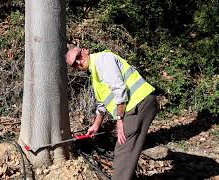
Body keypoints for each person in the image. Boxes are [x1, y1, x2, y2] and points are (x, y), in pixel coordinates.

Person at [66, 47, 157, 180]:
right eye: (74, 64)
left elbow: (119, 89)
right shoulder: (95, 72)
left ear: (85, 50)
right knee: (127, 152)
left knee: (123, 152)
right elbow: (102, 103)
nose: (78, 63)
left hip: (138, 104)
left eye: (78, 57)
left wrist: (120, 120)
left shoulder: (102, 60)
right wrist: (96, 125)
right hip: (139, 104)